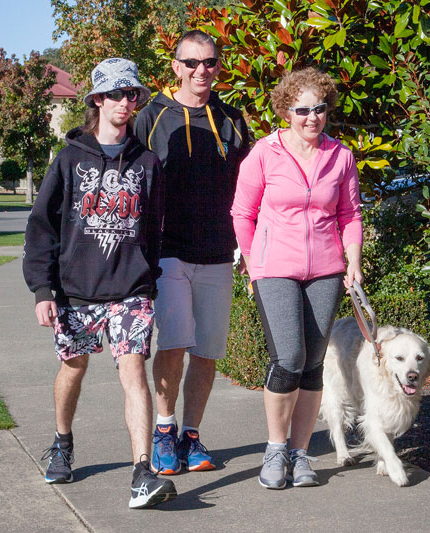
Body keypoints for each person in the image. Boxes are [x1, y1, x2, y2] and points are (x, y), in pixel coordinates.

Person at [23, 58, 176, 509]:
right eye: (116, 94)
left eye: (132, 95)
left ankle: (142, 473)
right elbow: (41, 228)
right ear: (97, 100)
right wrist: (43, 290)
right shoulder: (69, 159)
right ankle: (63, 442)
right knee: (74, 368)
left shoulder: (147, 163)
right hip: (76, 291)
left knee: (134, 371)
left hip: (131, 290)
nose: (126, 103)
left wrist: (149, 279)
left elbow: (154, 227)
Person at [231, 67, 364, 489]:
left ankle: (301, 453)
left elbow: (351, 215)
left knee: (311, 364)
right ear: (286, 110)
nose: (313, 117)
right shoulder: (265, 153)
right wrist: (253, 264)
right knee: (288, 358)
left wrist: (353, 260)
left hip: (326, 270)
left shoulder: (340, 156)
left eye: (320, 109)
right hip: (274, 269)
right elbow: (242, 213)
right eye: (303, 109)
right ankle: (274, 449)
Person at [134, 30, 250, 475]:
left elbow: (249, 185)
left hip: (219, 251)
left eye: (210, 62)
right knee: (176, 342)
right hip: (168, 253)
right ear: (176, 66)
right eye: (192, 62)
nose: (202, 71)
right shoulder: (151, 117)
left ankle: (192, 436)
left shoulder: (232, 119)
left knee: (207, 350)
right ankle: (164, 431)